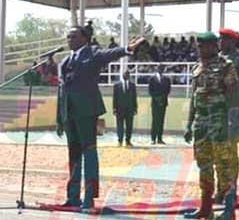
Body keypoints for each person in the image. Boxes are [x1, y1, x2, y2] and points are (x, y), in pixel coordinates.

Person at [56, 26, 145, 210]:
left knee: (89, 155)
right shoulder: (64, 61)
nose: (69, 39)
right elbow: (61, 91)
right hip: (69, 114)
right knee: (73, 156)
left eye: (73, 36)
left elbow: (108, 54)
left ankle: (89, 198)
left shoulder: (92, 53)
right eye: (68, 36)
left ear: (84, 39)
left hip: (86, 113)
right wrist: (60, 118)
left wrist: (127, 49)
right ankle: (73, 196)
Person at [184, 32, 239, 220]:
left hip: (219, 122)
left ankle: (229, 210)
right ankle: (205, 208)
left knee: (224, 166)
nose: (200, 50)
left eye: (204, 46)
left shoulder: (226, 66)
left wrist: (232, 124)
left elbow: (234, 96)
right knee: (204, 165)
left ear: (214, 46)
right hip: (201, 124)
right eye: (198, 46)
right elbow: (194, 98)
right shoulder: (197, 68)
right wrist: (188, 124)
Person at [218, 28, 239, 205]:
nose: (220, 43)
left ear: (232, 42)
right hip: (217, 111)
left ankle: (231, 190)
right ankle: (220, 189)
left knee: (230, 152)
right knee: (217, 151)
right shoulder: (216, 59)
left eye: (224, 40)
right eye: (220, 39)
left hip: (232, 111)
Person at [113, 70, 137, 147]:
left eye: (127, 74)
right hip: (120, 109)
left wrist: (135, 108)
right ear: (122, 75)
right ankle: (120, 141)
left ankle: (128, 141)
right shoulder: (117, 85)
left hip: (130, 109)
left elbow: (134, 97)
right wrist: (114, 108)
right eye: (125, 74)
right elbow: (115, 98)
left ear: (129, 76)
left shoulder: (132, 85)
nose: (126, 76)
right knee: (120, 125)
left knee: (129, 125)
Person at [148, 64, 171, 145]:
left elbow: (168, 90)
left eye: (162, 68)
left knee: (161, 120)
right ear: (156, 69)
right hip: (155, 102)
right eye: (159, 68)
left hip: (163, 102)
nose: (161, 69)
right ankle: (153, 138)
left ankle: (160, 138)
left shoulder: (167, 79)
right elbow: (150, 91)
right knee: (155, 120)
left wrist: (162, 98)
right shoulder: (152, 79)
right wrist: (157, 98)